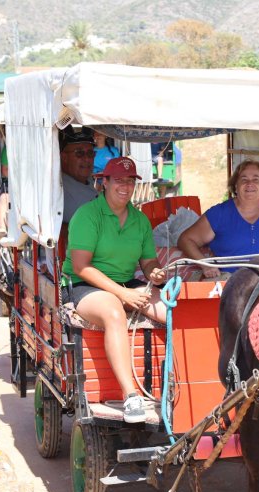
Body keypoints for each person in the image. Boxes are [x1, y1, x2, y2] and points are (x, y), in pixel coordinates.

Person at [62, 156, 167, 423]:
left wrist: (155, 271)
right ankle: (131, 396)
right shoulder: (87, 215)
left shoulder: (139, 220)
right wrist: (123, 295)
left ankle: (177, 385)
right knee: (114, 313)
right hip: (85, 284)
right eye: (119, 180)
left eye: (130, 181)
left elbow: (147, 261)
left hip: (126, 283)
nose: (125, 186)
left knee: (174, 312)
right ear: (104, 183)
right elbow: (82, 267)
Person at [177, 159, 259, 278]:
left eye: (256, 179)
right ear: (235, 185)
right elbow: (185, 239)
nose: (250, 184)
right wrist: (205, 264)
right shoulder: (219, 213)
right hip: (229, 282)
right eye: (244, 180)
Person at [60, 126, 98, 223]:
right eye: (79, 153)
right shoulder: (58, 188)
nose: (87, 159)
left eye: (90, 153)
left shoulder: (86, 180)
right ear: (64, 157)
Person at [0, 142, 9, 238]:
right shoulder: (7, 149)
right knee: (4, 197)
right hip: (12, 183)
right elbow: (5, 171)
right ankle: (2, 228)